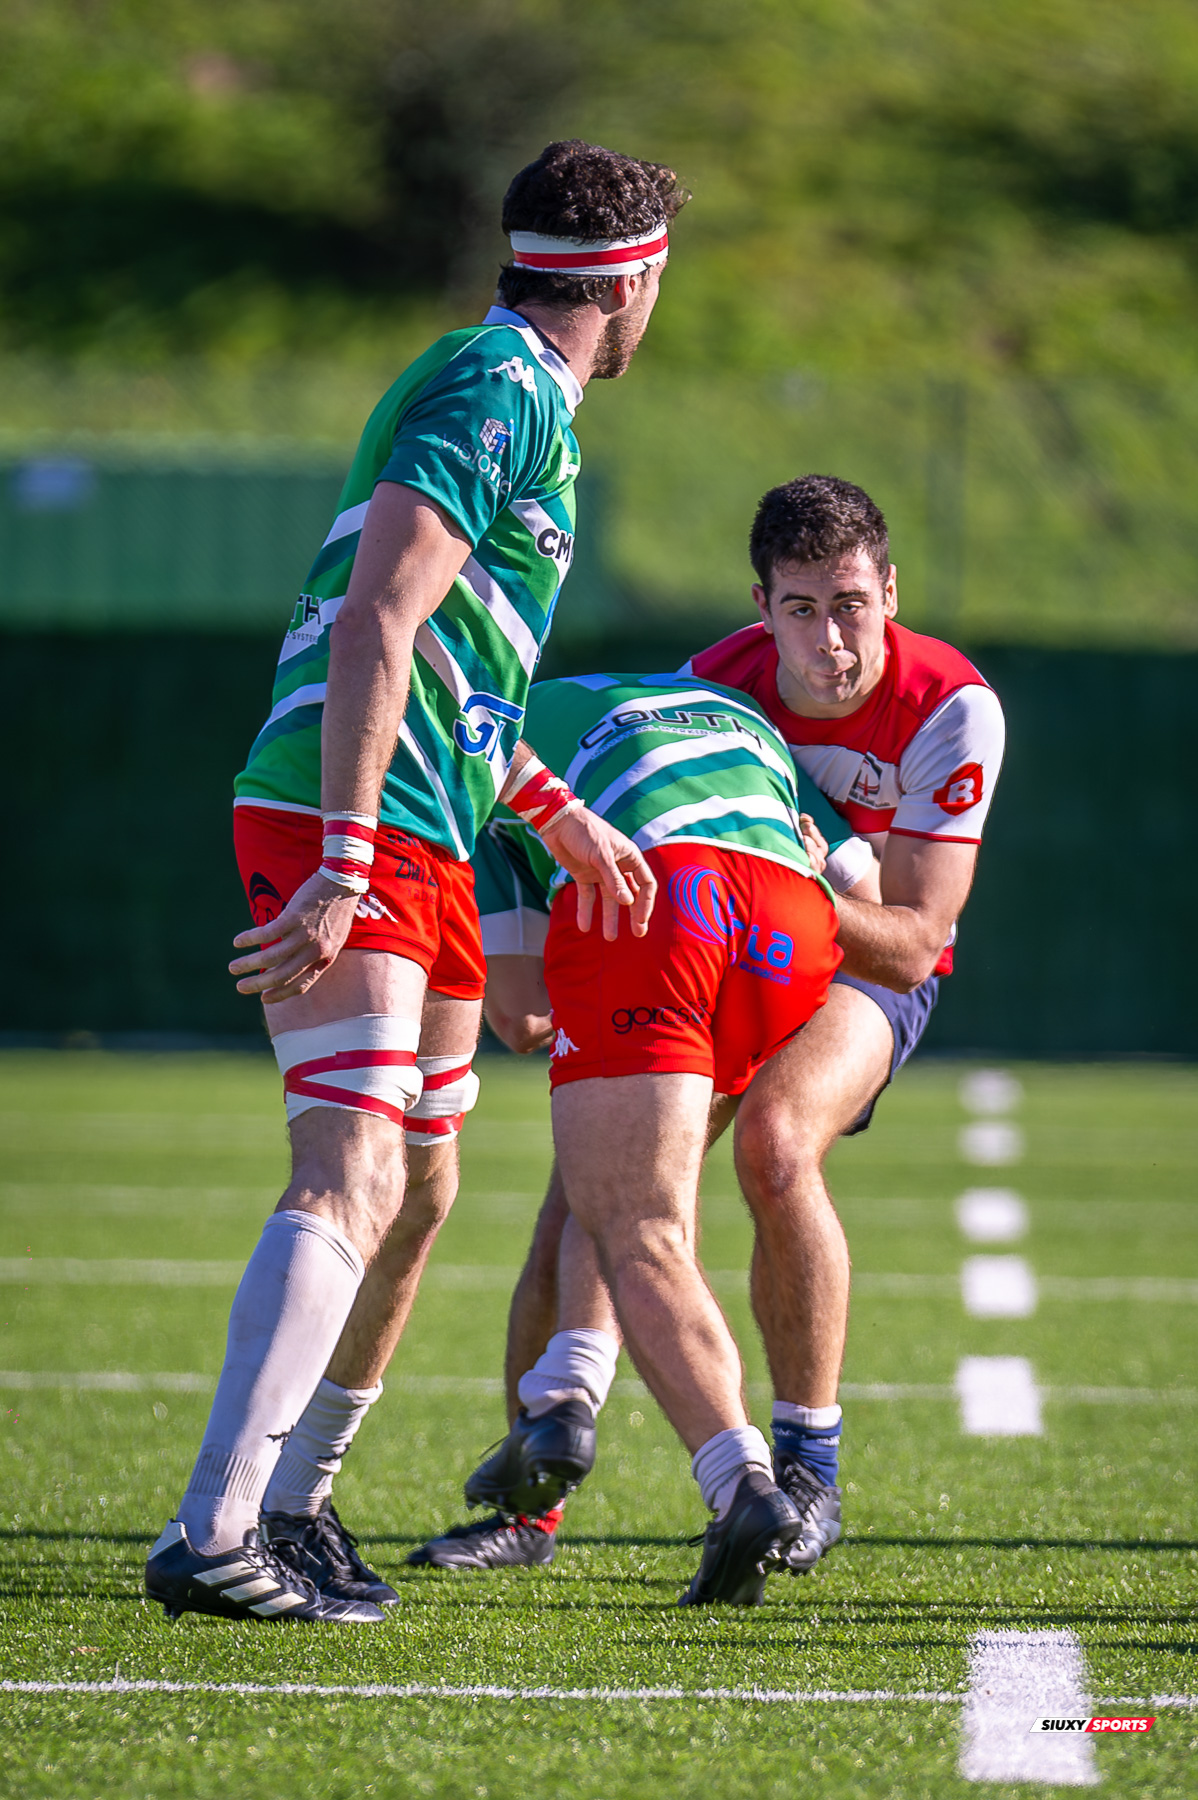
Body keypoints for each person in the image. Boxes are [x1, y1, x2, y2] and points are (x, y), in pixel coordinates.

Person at [144, 139, 687, 1625]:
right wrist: (334, 861)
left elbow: (457, 673)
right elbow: (378, 621)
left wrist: (553, 814)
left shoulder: (532, 409)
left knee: (424, 1182)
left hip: (431, 817)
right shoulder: (498, 383)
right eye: (659, 280)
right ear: (630, 280)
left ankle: (299, 1503)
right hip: (359, 814)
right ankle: (213, 1532)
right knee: (354, 1169)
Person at [414, 474, 1005, 1576]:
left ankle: (806, 1468)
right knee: (591, 1191)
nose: (829, 639)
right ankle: (529, 1504)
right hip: (728, 934)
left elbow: (917, 939)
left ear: (889, 590)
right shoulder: (714, 682)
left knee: (779, 1147)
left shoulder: (949, 704)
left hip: (860, 961)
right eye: (799, 609)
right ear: (759, 605)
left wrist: (748, 879)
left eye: (850, 606)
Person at [258, 672, 845, 1606]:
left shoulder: (495, 742)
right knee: (607, 1192)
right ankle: (564, 1395)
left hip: (667, 899)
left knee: (639, 1223)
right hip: (798, 927)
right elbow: (871, 891)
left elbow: (524, 1015)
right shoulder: (739, 717)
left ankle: (737, 1483)